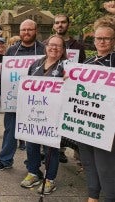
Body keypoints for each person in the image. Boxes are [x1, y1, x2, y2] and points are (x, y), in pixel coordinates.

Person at [0, 19, 45, 171]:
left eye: (30, 29)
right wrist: (2, 95)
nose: (26, 32)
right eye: (23, 30)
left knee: (32, 133)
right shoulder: (11, 50)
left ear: (36, 30)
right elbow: (6, 76)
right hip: (13, 99)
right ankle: (5, 160)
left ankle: (33, 165)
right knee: (10, 130)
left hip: (36, 101)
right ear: (19, 32)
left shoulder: (44, 50)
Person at [76, 2, 115, 201]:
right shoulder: (87, 64)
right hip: (85, 125)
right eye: (98, 38)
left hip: (107, 128)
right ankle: (92, 197)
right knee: (89, 165)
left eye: (106, 39)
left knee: (106, 169)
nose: (101, 42)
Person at [20, 35, 66, 195]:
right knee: (31, 144)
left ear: (63, 49)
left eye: (58, 46)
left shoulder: (66, 67)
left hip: (53, 116)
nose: (54, 48)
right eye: (51, 45)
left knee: (50, 148)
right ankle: (33, 172)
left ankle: (50, 179)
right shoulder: (35, 64)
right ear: (46, 46)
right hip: (34, 113)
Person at [52, 13, 86, 164]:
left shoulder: (78, 46)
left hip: (71, 91)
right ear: (54, 25)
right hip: (52, 90)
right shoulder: (48, 43)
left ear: (68, 24)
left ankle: (64, 150)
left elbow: (85, 69)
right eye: (57, 23)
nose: (60, 25)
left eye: (63, 22)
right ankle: (53, 149)